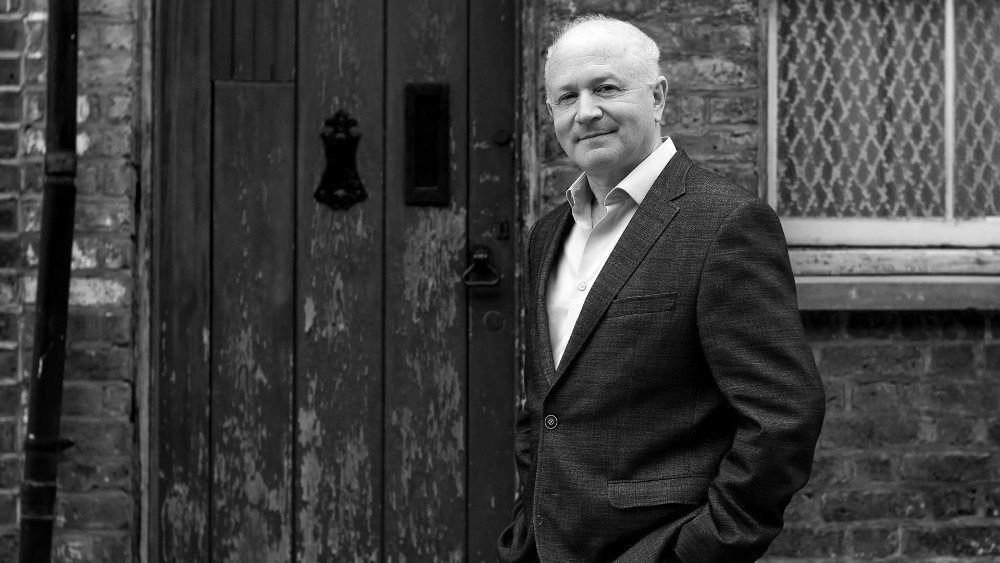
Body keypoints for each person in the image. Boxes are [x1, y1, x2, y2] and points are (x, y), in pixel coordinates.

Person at [496, 15, 826, 563]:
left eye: (606, 88)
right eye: (566, 97)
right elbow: (546, 407)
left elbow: (783, 416)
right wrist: (523, 532)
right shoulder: (547, 235)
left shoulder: (724, 223)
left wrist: (697, 551)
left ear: (657, 97)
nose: (586, 111)